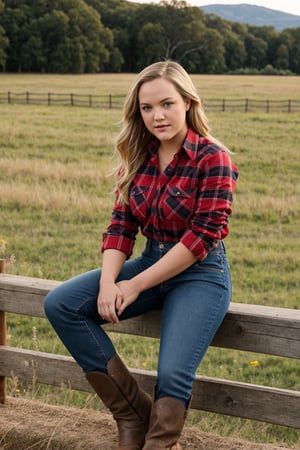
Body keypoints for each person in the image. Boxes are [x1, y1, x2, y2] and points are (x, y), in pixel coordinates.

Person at [44, 60, 238, 450]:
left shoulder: (213, 158)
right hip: (152, 259)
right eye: (147, 108)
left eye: (166, 104)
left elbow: (200, 237)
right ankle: (131, 413)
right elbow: (120, 226)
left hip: (199, 272)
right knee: (61, 304)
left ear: (187, 102)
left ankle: (159, 443)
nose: (157, 116)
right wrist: (107, 284)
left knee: (171, 372)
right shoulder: (138, 156)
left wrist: (133, 285)